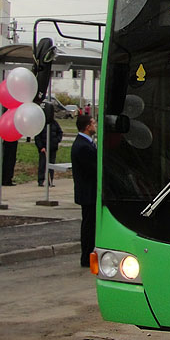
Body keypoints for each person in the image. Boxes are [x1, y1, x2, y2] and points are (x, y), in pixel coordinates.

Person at [71, 113, 97, 268]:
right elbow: (93, 169)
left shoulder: (86, 143)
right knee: (88, 226)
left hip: (89, 192)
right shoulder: (82, 146)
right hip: (88, 193)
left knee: (90, 225)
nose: (95, 125)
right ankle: (86, 257)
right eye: (93, 123)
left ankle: (88, 254)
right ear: (87, 126)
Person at [35, 111, 63, 187]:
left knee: (51, 165)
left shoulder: (55, 123)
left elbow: (60, 132)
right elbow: (37, 136)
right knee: (42, 164)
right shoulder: (41, 123)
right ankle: (41, 180)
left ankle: (50, 180)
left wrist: (57, 140)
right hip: (44, 148)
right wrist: (41, 147)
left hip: (53, 147)